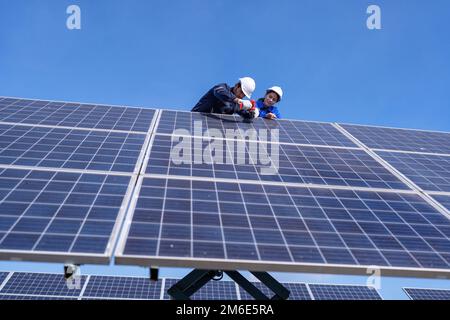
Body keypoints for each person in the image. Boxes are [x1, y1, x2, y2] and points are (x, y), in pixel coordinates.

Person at [191, 77, 259, 120]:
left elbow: (244, 114)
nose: (241, 96)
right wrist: (237, 100)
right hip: (195, 119)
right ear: (237, 85)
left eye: (243, 95)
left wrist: (252, 114)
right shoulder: (223, 87)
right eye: (241, 92)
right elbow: (219, 92)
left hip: (211, 130)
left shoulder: (236, 105)